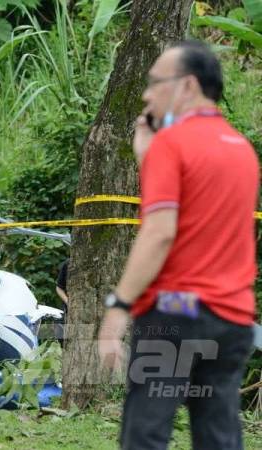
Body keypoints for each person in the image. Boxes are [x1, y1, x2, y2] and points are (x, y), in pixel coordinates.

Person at [97, 40, 259, 450]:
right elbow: (199, 221)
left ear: (187, 85)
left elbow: (161, 231)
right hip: (232, 319)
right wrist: (147, 160)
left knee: (145, 433)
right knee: (219, 435)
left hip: (175, 313)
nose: (147, 94)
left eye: (155, 82)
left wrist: (119, 306)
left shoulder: (171, 145)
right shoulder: (242, 151)